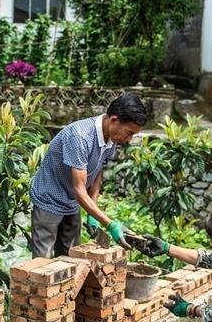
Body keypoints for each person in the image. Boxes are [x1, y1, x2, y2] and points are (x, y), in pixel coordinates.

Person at [28, 92, 147, 258]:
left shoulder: (111, 139)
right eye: (129, 133)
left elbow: (97, 171)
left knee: (70, 256)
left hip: (72, 201)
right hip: (50, 199)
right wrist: (110, 224)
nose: (129, 139)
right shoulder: (80, 136)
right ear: (114, 120)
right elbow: (79, 189)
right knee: (42, 262)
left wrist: (93, 213)